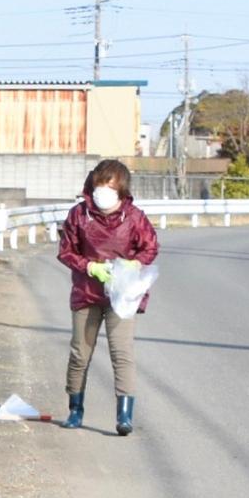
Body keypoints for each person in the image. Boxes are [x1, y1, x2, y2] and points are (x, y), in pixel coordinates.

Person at [56, 157, 158, 436]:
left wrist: (134, 264)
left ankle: (124, 415)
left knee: (121, 353)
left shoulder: (134, 217)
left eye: (110, 186)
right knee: (80, 353)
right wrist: (89, 266)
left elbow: (150, 248)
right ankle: (75, 409)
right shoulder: (79, 215)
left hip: (122, 296)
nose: (104, 191)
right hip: (87, 292)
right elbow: (66, 251)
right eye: (100, 184)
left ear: (121, 190)